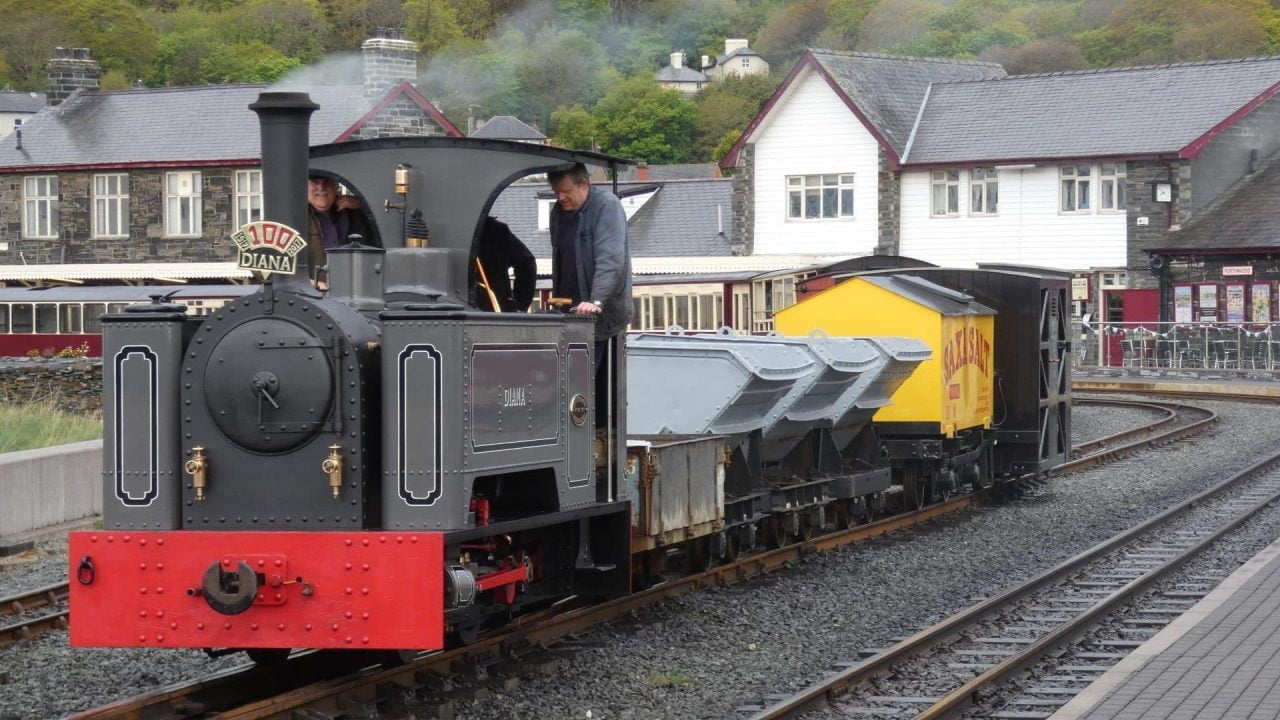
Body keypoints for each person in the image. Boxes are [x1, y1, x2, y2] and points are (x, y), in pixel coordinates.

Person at [547, 162, 633, 429]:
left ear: (584, 184)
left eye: (565, 191)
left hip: (602, 318)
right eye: (556, 192)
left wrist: (596, 301)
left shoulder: (607, 207)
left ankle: (598, 440)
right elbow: (560, 258)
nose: (560, 198)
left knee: (591, 391)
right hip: (570, 315)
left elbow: (611, 258)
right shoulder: (558, 213)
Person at [306, 174, 372, 290]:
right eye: (314, 181)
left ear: (336, 185)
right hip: (313, 298)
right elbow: (269, 270)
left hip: (353, 294)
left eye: (327, 180)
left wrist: (363, 205)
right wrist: (310, 283)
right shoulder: (293, 218)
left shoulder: (354, 213)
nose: (321, 187)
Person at [475, 216, 537, 312]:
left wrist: (520, 305)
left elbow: (527, 262)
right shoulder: (496, 230)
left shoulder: (497, 230)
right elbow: (527, 262)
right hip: (496, 310)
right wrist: (520, 306)